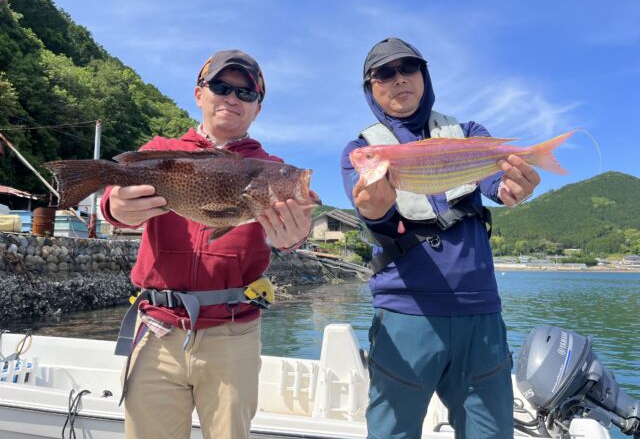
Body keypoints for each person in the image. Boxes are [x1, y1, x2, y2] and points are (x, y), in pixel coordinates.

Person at [101, 49, 315, 439]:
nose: (232, 98)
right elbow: (114, 201)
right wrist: (113, 205)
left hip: (233, 333)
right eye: (221, 87)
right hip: (157, 327)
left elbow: (292, 235)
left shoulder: (269, 167)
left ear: (257, 109)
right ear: (200, 94)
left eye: (246, 93)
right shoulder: (161, 152)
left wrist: (295, 236)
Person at [341, 37, 541, 439]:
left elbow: (496, 181)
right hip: (405, 312)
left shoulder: (467, 133)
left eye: (408, 68)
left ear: (424, 75)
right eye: (385, 73)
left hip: (480, 314)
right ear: (370, 88)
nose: (399, 79)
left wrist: (512, 187)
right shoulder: (361, 149)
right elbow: (376, 218)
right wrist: (374, 209)